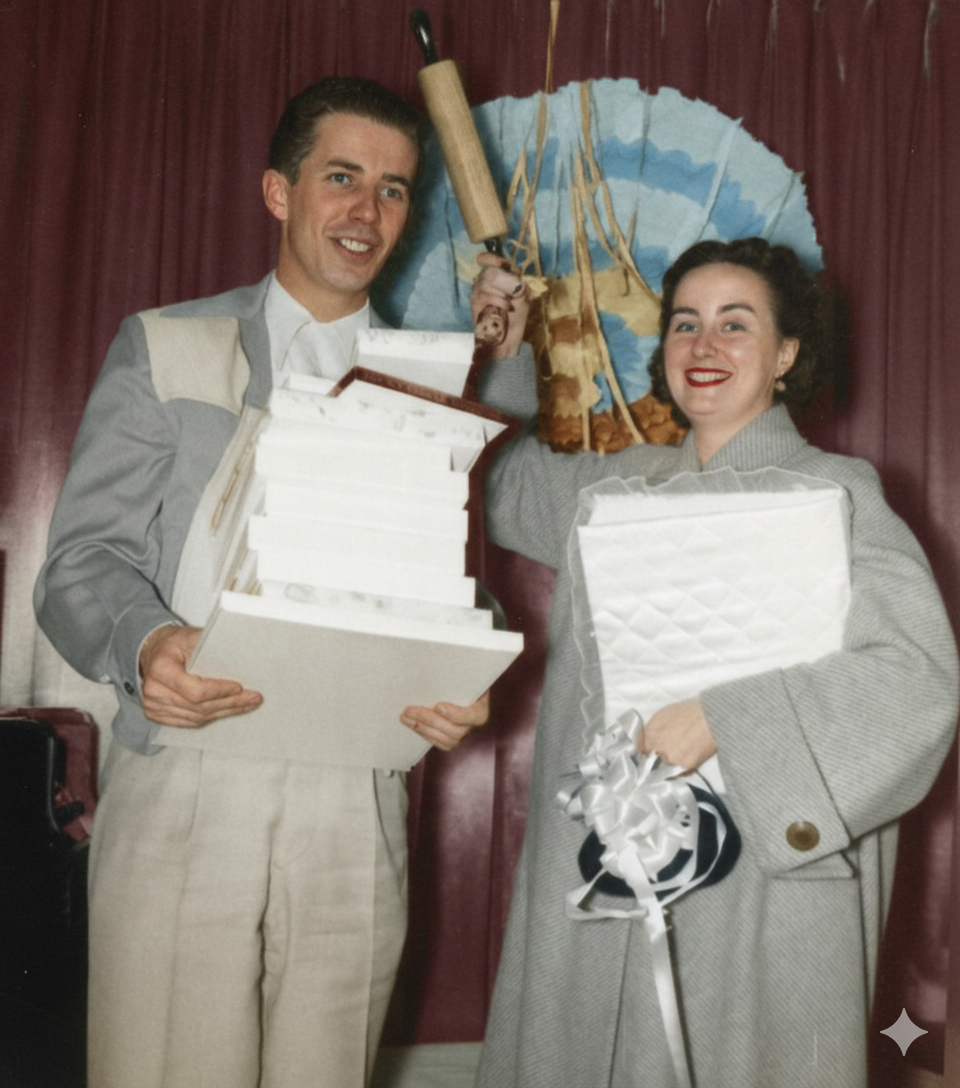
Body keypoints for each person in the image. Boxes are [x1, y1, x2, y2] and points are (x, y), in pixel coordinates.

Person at [34, 76, 488, 1088]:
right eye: (342, 178)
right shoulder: (168, 342)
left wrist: (464, 673)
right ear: (278, 191)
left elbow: (441, 581)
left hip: (356, 793)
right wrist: (147, 643)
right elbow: (79, 565)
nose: (367, 211)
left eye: (395, 188)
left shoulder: (427, 380)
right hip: (194, 760)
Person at [472, 237, 959, 1087]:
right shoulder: (614, 494)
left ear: (786, 354)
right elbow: (504, 487)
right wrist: (507, 355)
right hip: (599, 900)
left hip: (755, 907)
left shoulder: (839, 493)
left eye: (737, 325)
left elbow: (915, 686)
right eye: (686, 324)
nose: (704, 347)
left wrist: (727, 718)